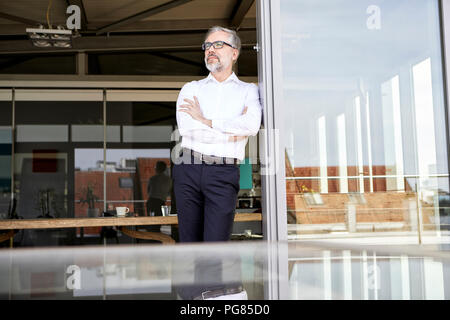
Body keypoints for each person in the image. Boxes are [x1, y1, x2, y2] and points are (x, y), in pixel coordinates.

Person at [173, 26, 262, 300]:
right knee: (189, 245)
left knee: (215, 244)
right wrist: (226, 129)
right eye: (207, 46)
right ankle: (192, 302)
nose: (210, 50)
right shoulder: (191, 88)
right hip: (187, 168)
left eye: (218, 44)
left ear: (234, 53)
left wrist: (207, 120)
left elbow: (251, 126)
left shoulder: (249, 91)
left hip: (223, 171)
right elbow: (188, 130)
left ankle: (209, 300)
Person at [146, 161, 172, 232]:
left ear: (157, 168)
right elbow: (169, 193)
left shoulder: (152, 179)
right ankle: (156, 237)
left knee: (151, 221)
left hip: (152, 202)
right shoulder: (169, 180)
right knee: (158, 222)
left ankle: (152, 238)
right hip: (160, 202)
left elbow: (148, 191)